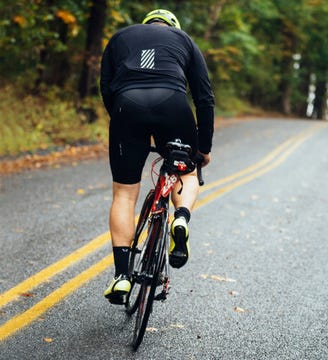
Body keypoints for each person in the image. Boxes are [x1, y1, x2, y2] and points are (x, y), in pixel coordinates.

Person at [100, 9, 214, 304]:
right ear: (172, 27)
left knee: (124, 194)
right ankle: (181, 219)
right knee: (186, 174)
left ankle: (122, 277)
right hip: (172, 104)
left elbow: (107, 88)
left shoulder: (120, 37)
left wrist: (126, 123)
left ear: (146, 23)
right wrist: (204, 147)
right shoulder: (183, 39)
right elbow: (204, 96)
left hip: (127, 105)